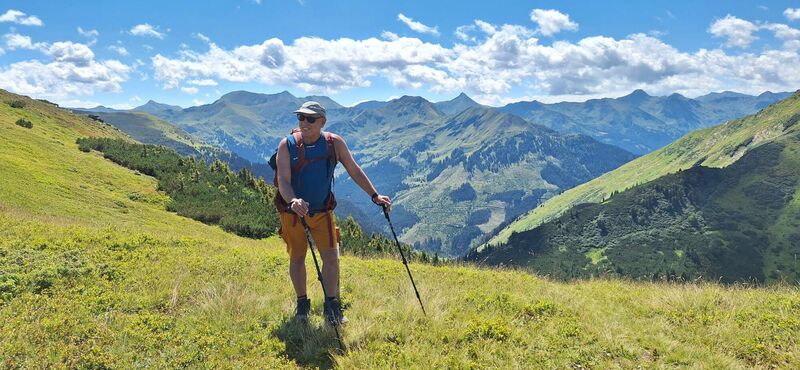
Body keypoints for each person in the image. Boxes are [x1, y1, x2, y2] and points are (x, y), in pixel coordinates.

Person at [275, 101, 391, 325]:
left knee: (331, 258)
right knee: (297, 257)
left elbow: (354, 169)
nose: (304, 122)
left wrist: (374, 195)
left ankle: (332, 307)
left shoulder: (334, 143)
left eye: (310, 119)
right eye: (301, 117)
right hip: (292, 213)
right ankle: (302, 306)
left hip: (322, 211)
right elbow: (283, 181)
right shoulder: (286, 145)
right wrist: (293, 200)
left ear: (322, 122)